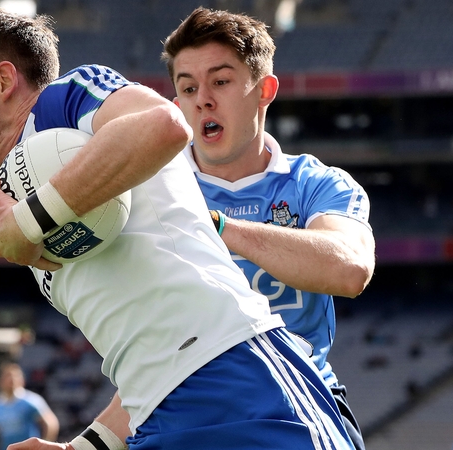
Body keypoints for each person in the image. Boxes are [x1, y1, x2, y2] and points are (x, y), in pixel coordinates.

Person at [0, 6, 354, 449]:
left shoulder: (63, 101)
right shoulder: (22, 189)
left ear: (4, 81)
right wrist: (84, 447)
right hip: (158, 416)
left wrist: (29, 223)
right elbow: (147, 351)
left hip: (240, 377)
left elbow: (163, 125)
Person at [160, 7, 376, 450]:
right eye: (187, 87)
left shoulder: (317, 184)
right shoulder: (153, 191)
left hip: (300, 407)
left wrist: (219, 226)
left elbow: (350, 269)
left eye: (220, 81)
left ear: (265, 90)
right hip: (185, 414)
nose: (202, 99)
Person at [0, 362, 59, 449]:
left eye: (15, 376)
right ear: (0, 381)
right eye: (8, 376)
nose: (12, 379)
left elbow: (51, 424)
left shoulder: (32, 400)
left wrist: (45, 446)